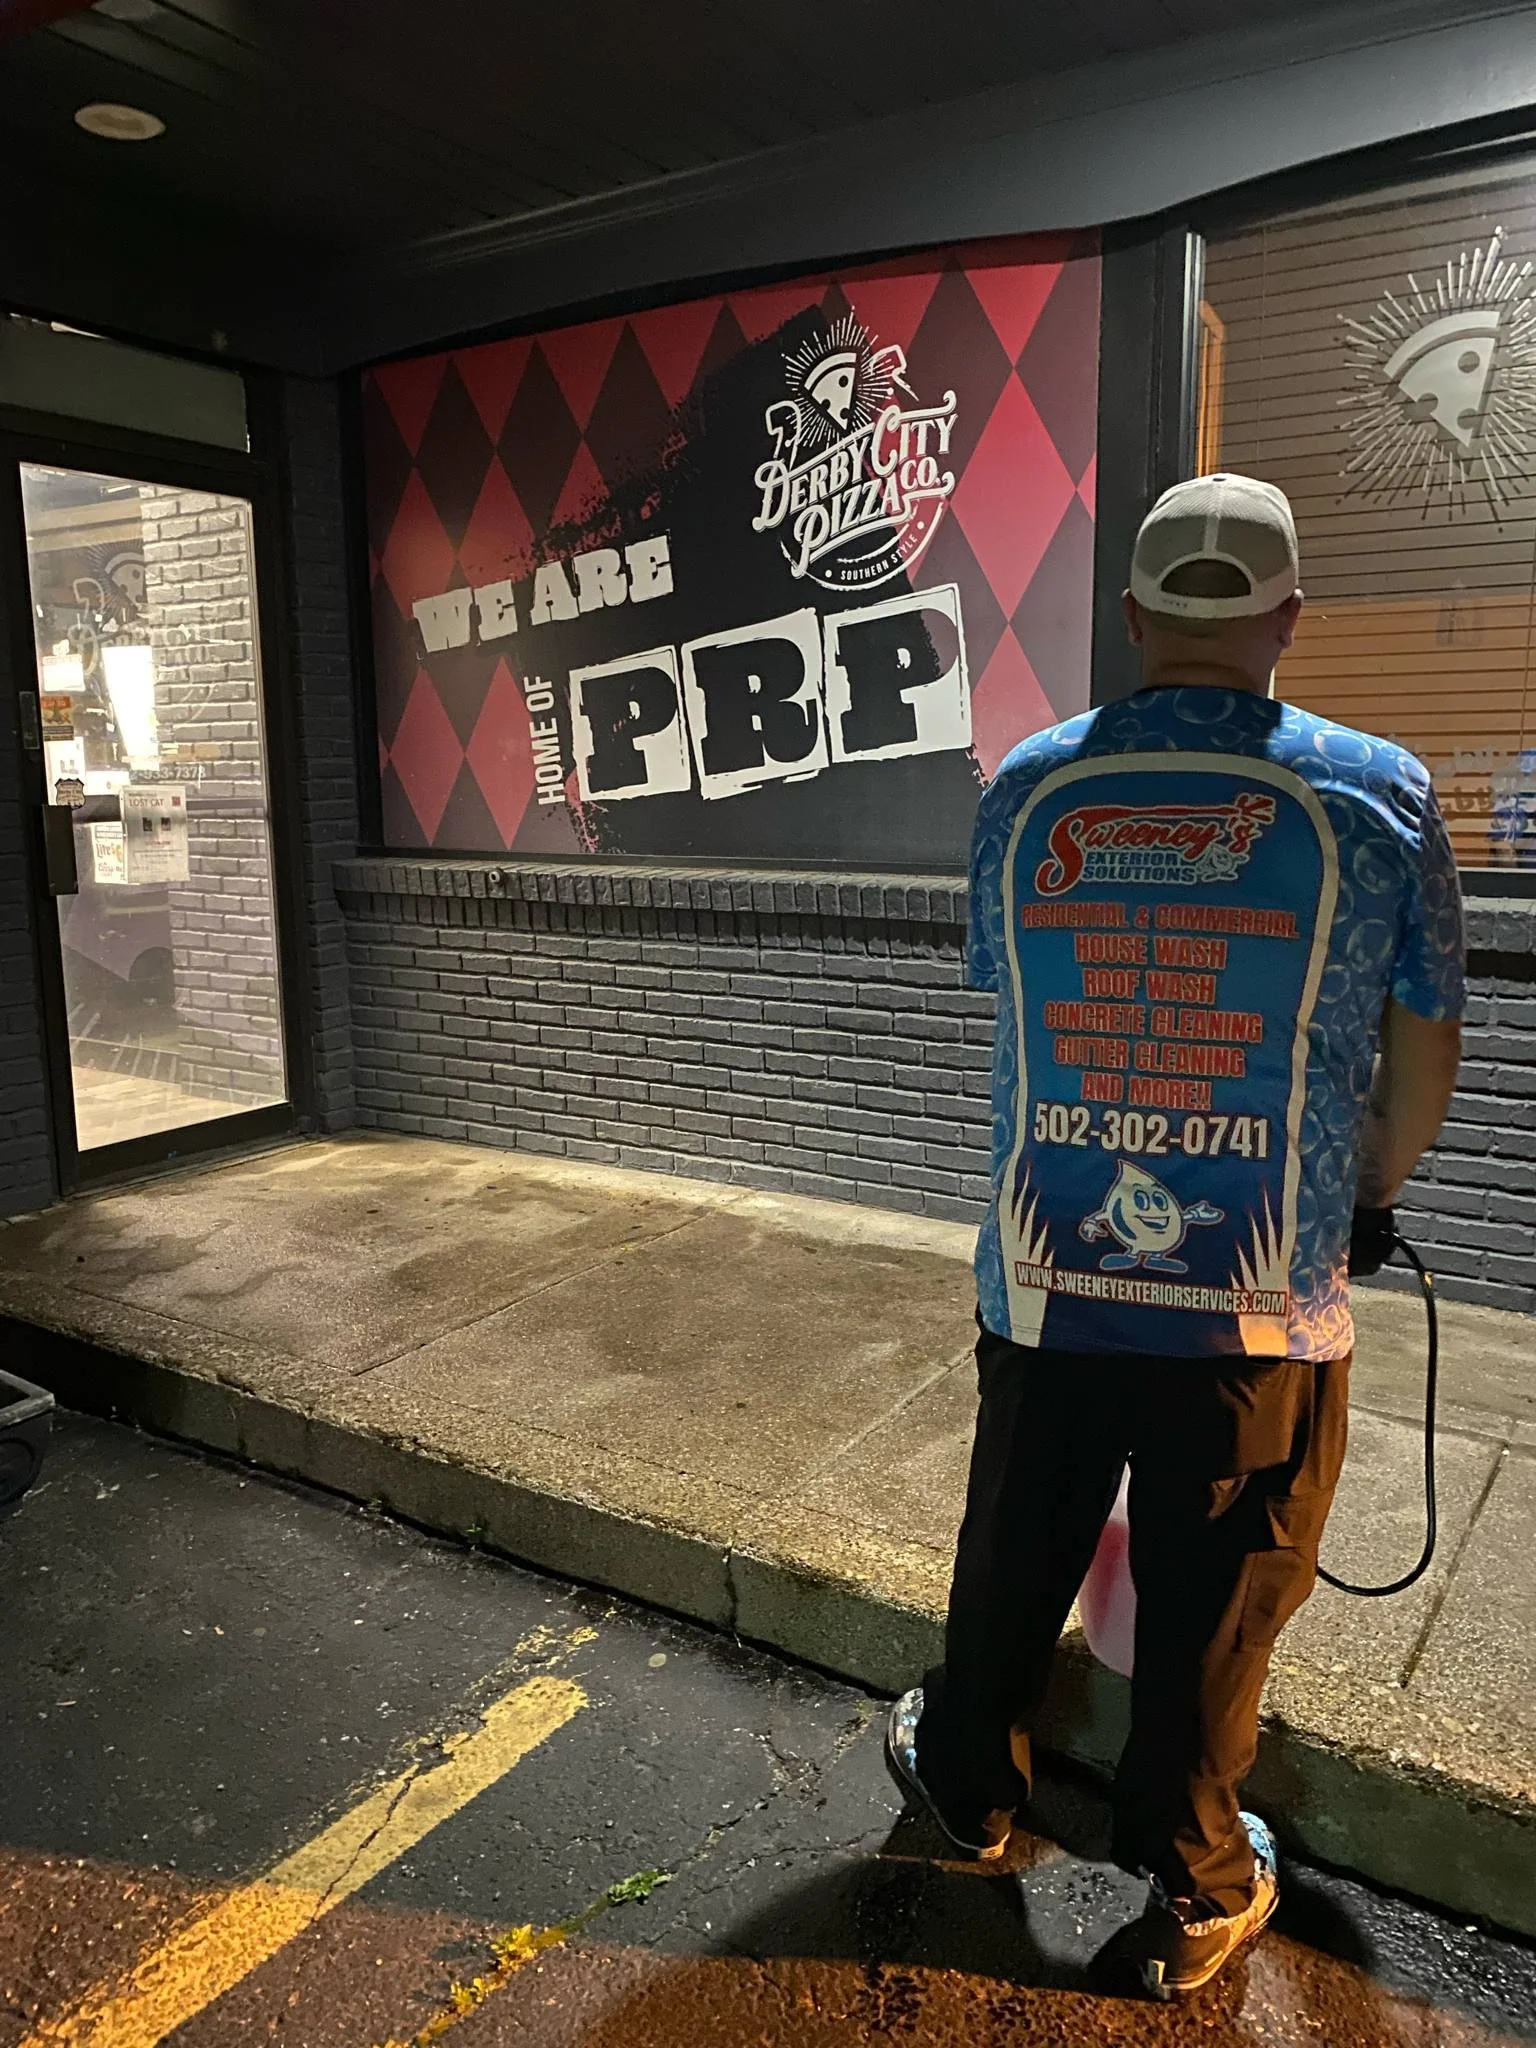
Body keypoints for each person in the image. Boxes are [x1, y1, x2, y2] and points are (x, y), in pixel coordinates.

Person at [886, 474, 1464, 2000]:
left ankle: (965, 1794)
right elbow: (1423, 1053)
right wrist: (1371, 1189)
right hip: (1255, 1307)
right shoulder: (1382, 796)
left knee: (1013, 1552)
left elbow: (1014, 1009)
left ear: (1136, 618)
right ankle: (1198, 1885)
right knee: (1216, 1606)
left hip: (1050, 1276)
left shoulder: (1025, 786)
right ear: (1284, 619)